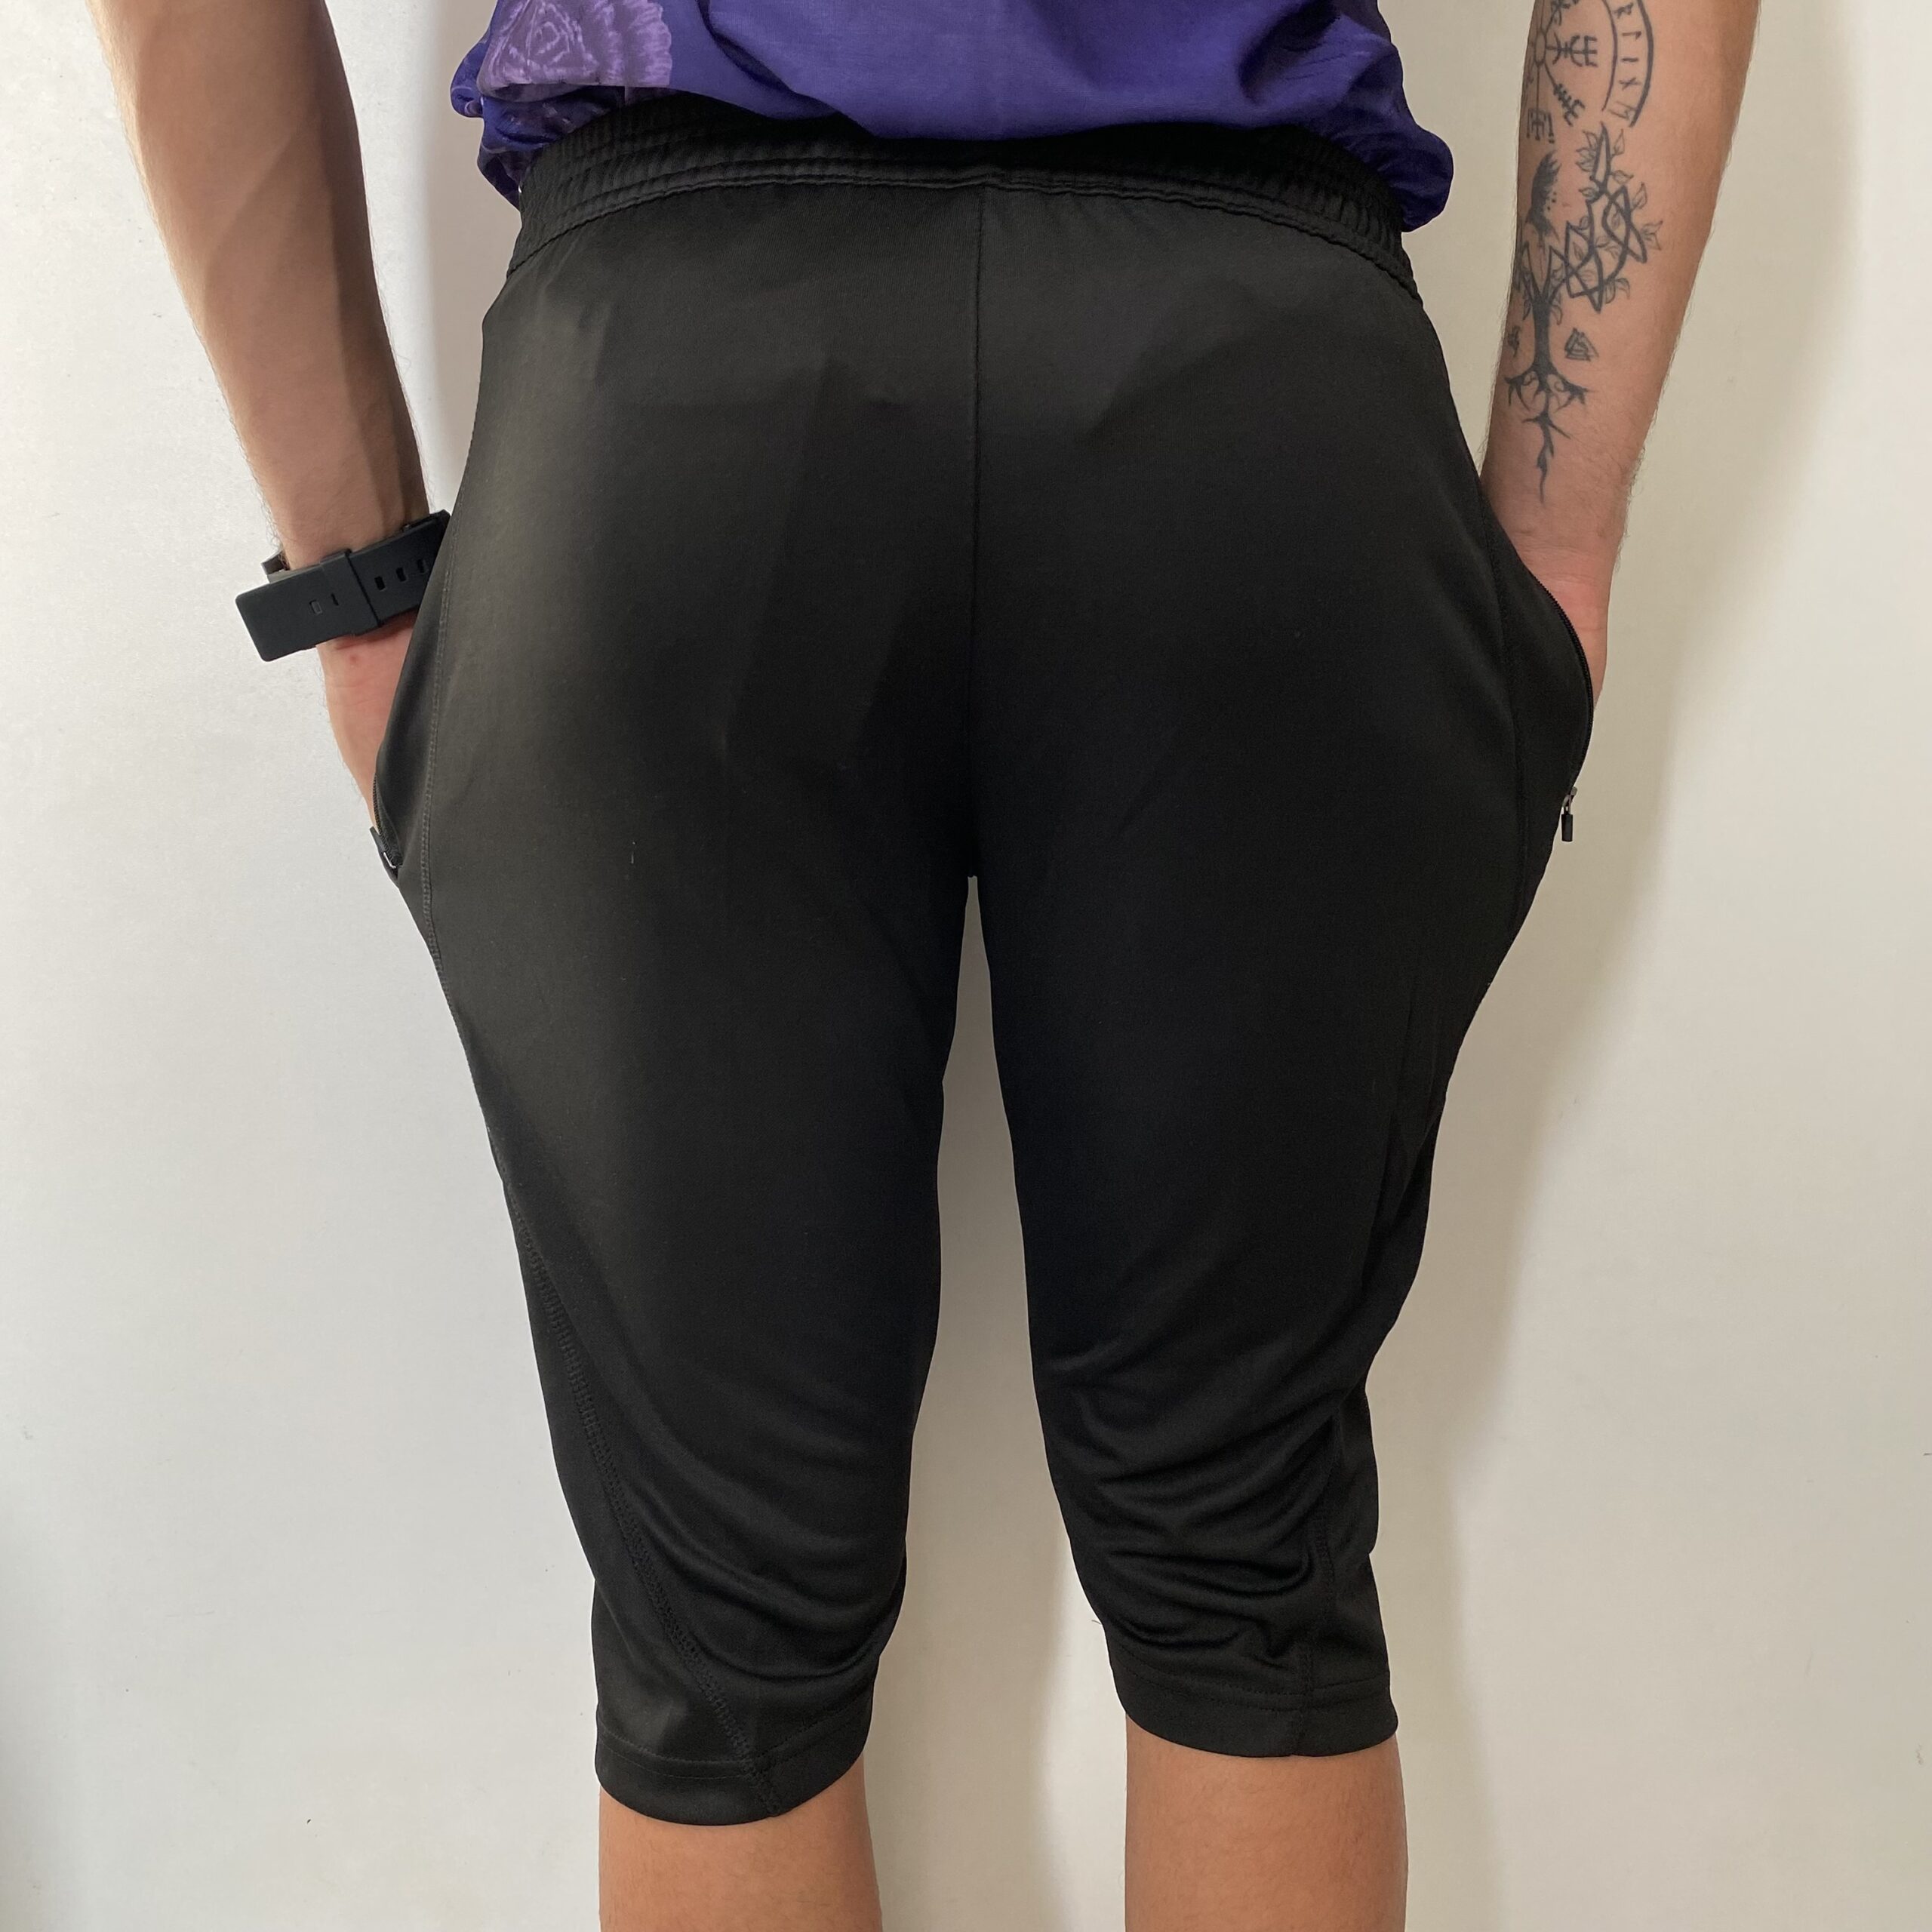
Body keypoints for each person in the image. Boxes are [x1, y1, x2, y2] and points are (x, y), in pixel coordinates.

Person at [87, 2, 1758, 1925]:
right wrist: (1554, 541)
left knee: (723, 1637)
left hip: (669, 408)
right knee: (1242, 1566)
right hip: (1250, 390)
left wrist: (359, 585)